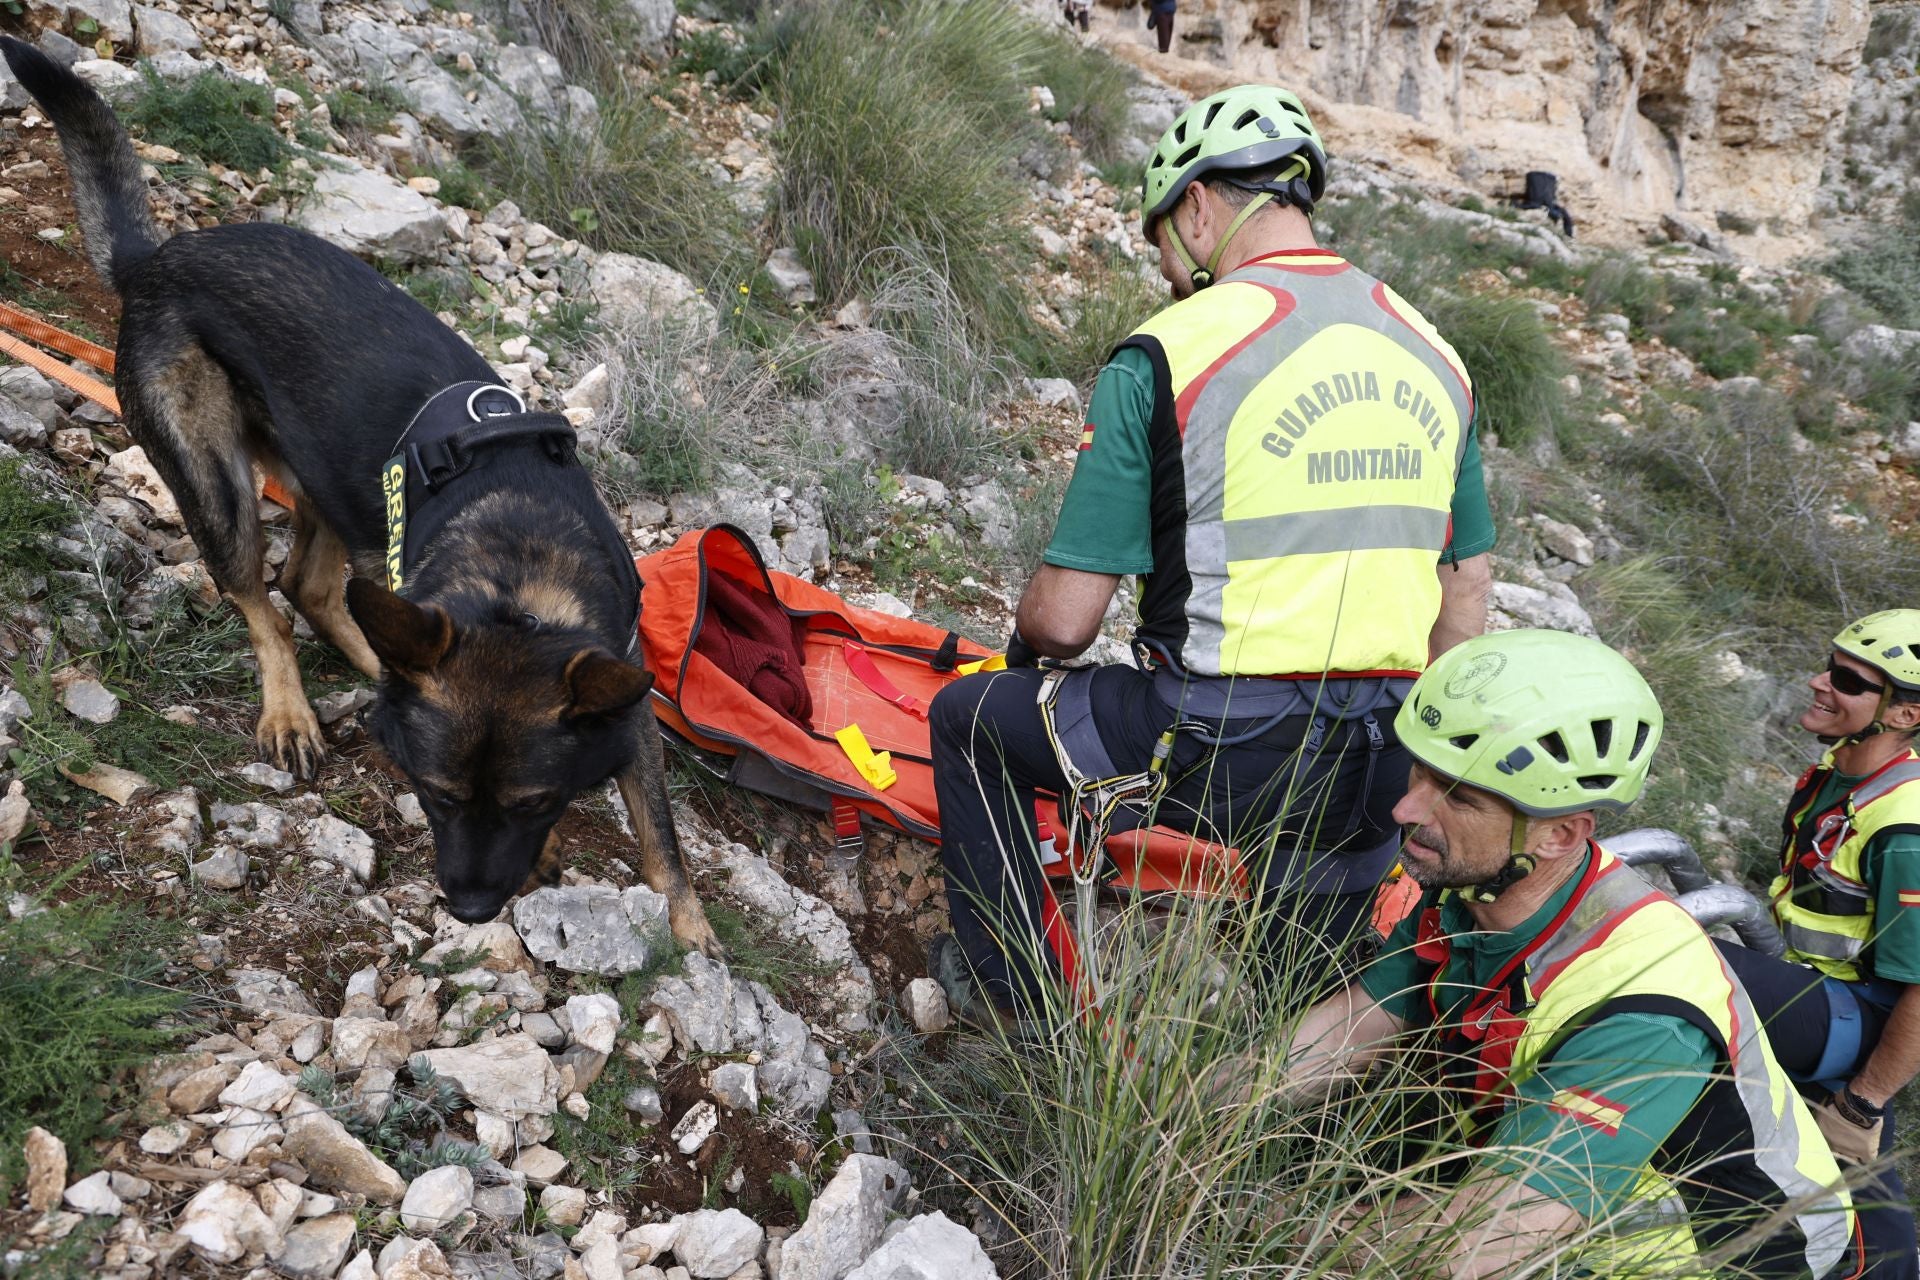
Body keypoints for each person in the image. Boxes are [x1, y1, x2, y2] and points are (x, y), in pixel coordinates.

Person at [930, 84, 1495, 1018]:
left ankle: (1014, 1004)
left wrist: (1025, 647)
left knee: (968, 722)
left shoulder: (1166, 351)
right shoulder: (1436, 353)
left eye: (1162, 243)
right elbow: (1463, 597)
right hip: (1388, 760)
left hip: (1222, 747)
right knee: (1304, 989)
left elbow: (1067, 623)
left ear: (1194, 204)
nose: (1167, 271)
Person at [1269, 628, 1859, 1279]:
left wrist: (1278, 1229)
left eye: (1458, 796)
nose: (1407, 808)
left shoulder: (1644, 1010)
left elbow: (1483, 1245)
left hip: (1712, 1261)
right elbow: (1346, 1030)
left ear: (1559, 835)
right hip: (1545, 1211)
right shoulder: (1478, 888)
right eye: (1419, 773)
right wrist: (1187, 1118)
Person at [1715, 610, 1920, 1279]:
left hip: (1860, 1023)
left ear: (1902, 716)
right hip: (1820, 998)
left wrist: (1862, 1103)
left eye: (1845, 679)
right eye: (1827, 665)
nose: (1818, 682)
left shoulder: (1905, 825)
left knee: (1695, 968)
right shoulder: (1838, 775)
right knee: (1866, 1212)